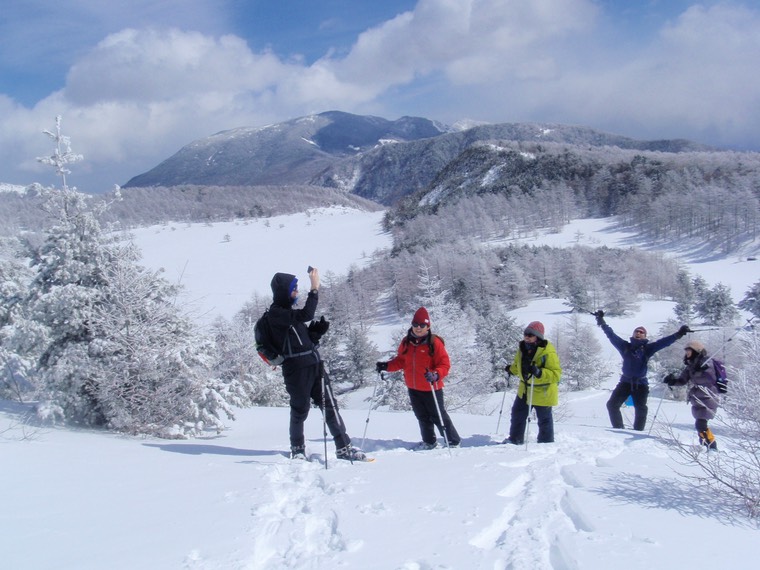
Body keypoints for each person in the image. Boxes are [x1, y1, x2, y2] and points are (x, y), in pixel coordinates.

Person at [266, 268, 366, 461]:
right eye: (293, 289)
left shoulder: (288, 314)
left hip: (315, 366)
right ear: (283, 292)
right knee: (299, 410)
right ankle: (297, 450)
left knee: (330, 407)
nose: (296, 293)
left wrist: (315, 334)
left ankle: (344, 447)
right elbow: (306, 314)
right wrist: (314, 289)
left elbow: (301, 342)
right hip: (296, 372)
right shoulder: (276, 314)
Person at [375, 307, 461, 450]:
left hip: (431, 386)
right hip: (413, 387)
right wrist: (387, 366)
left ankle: (453, 441)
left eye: (422, 325)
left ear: (428, 326)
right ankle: (429, 442)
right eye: (415, 325)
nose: (418, 328)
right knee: (422, 416)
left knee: (438, 416)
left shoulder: (434, 343)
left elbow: (444, 364)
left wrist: (436, 374)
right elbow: (401, 361)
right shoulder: (406, 342)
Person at [595, 310, 690, 431]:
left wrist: (679, 334)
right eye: (637, 331)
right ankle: (618, 430)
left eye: (642, 332)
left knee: (641, 408)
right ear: (633, 334)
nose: (639, 333)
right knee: (612, 405)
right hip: (625, 383)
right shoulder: (625, 346)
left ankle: (638, 431)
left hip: (641, 384)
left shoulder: (648, 349)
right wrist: (601, 321)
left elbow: (664, 342)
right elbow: (611, 335)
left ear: (645, 336)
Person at [502, 321, 562, 445]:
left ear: (538, 336)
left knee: (544, 419)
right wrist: (511, 370)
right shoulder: (522, 348)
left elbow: (556, 374)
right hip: (525, 389)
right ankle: (515, 440)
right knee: (517, 414)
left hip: (542, 390)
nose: (527, 337)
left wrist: (539, 373)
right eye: (525, 334)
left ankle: (546, 443)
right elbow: (519, 366)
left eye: (530, 335)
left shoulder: (547, 352)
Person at [663, 340, 720, 450]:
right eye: (686, 351)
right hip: (697, 398)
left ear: (696, 351)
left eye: (689, 350)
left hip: (709, 397)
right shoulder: (690, 366)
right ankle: (705, 446)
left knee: (701, 424)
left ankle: (712, 446)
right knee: (699, 425)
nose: (687, 353)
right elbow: (683, 380)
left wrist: (702, 369)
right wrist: (672, 381)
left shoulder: (708, 362)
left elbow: (711, 376)